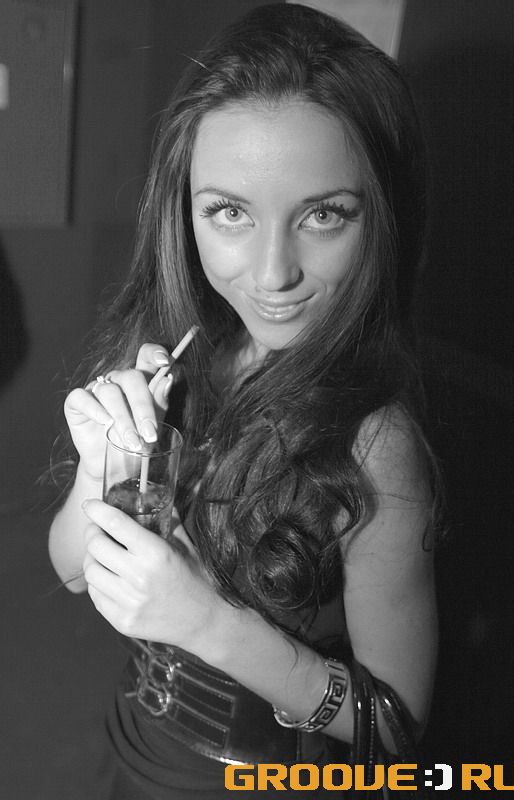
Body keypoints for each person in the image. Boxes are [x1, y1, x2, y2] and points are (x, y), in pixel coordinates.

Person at [48, 3, 439, 797]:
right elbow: (74, 572)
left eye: (322, 215)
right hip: (133, 750)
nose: (270, 274)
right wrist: (100, 472)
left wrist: (208, 624)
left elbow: (398, 731)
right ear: (183, 207)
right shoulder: (179, 358)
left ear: (381, 215)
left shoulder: (375, 444)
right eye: (229, 212)